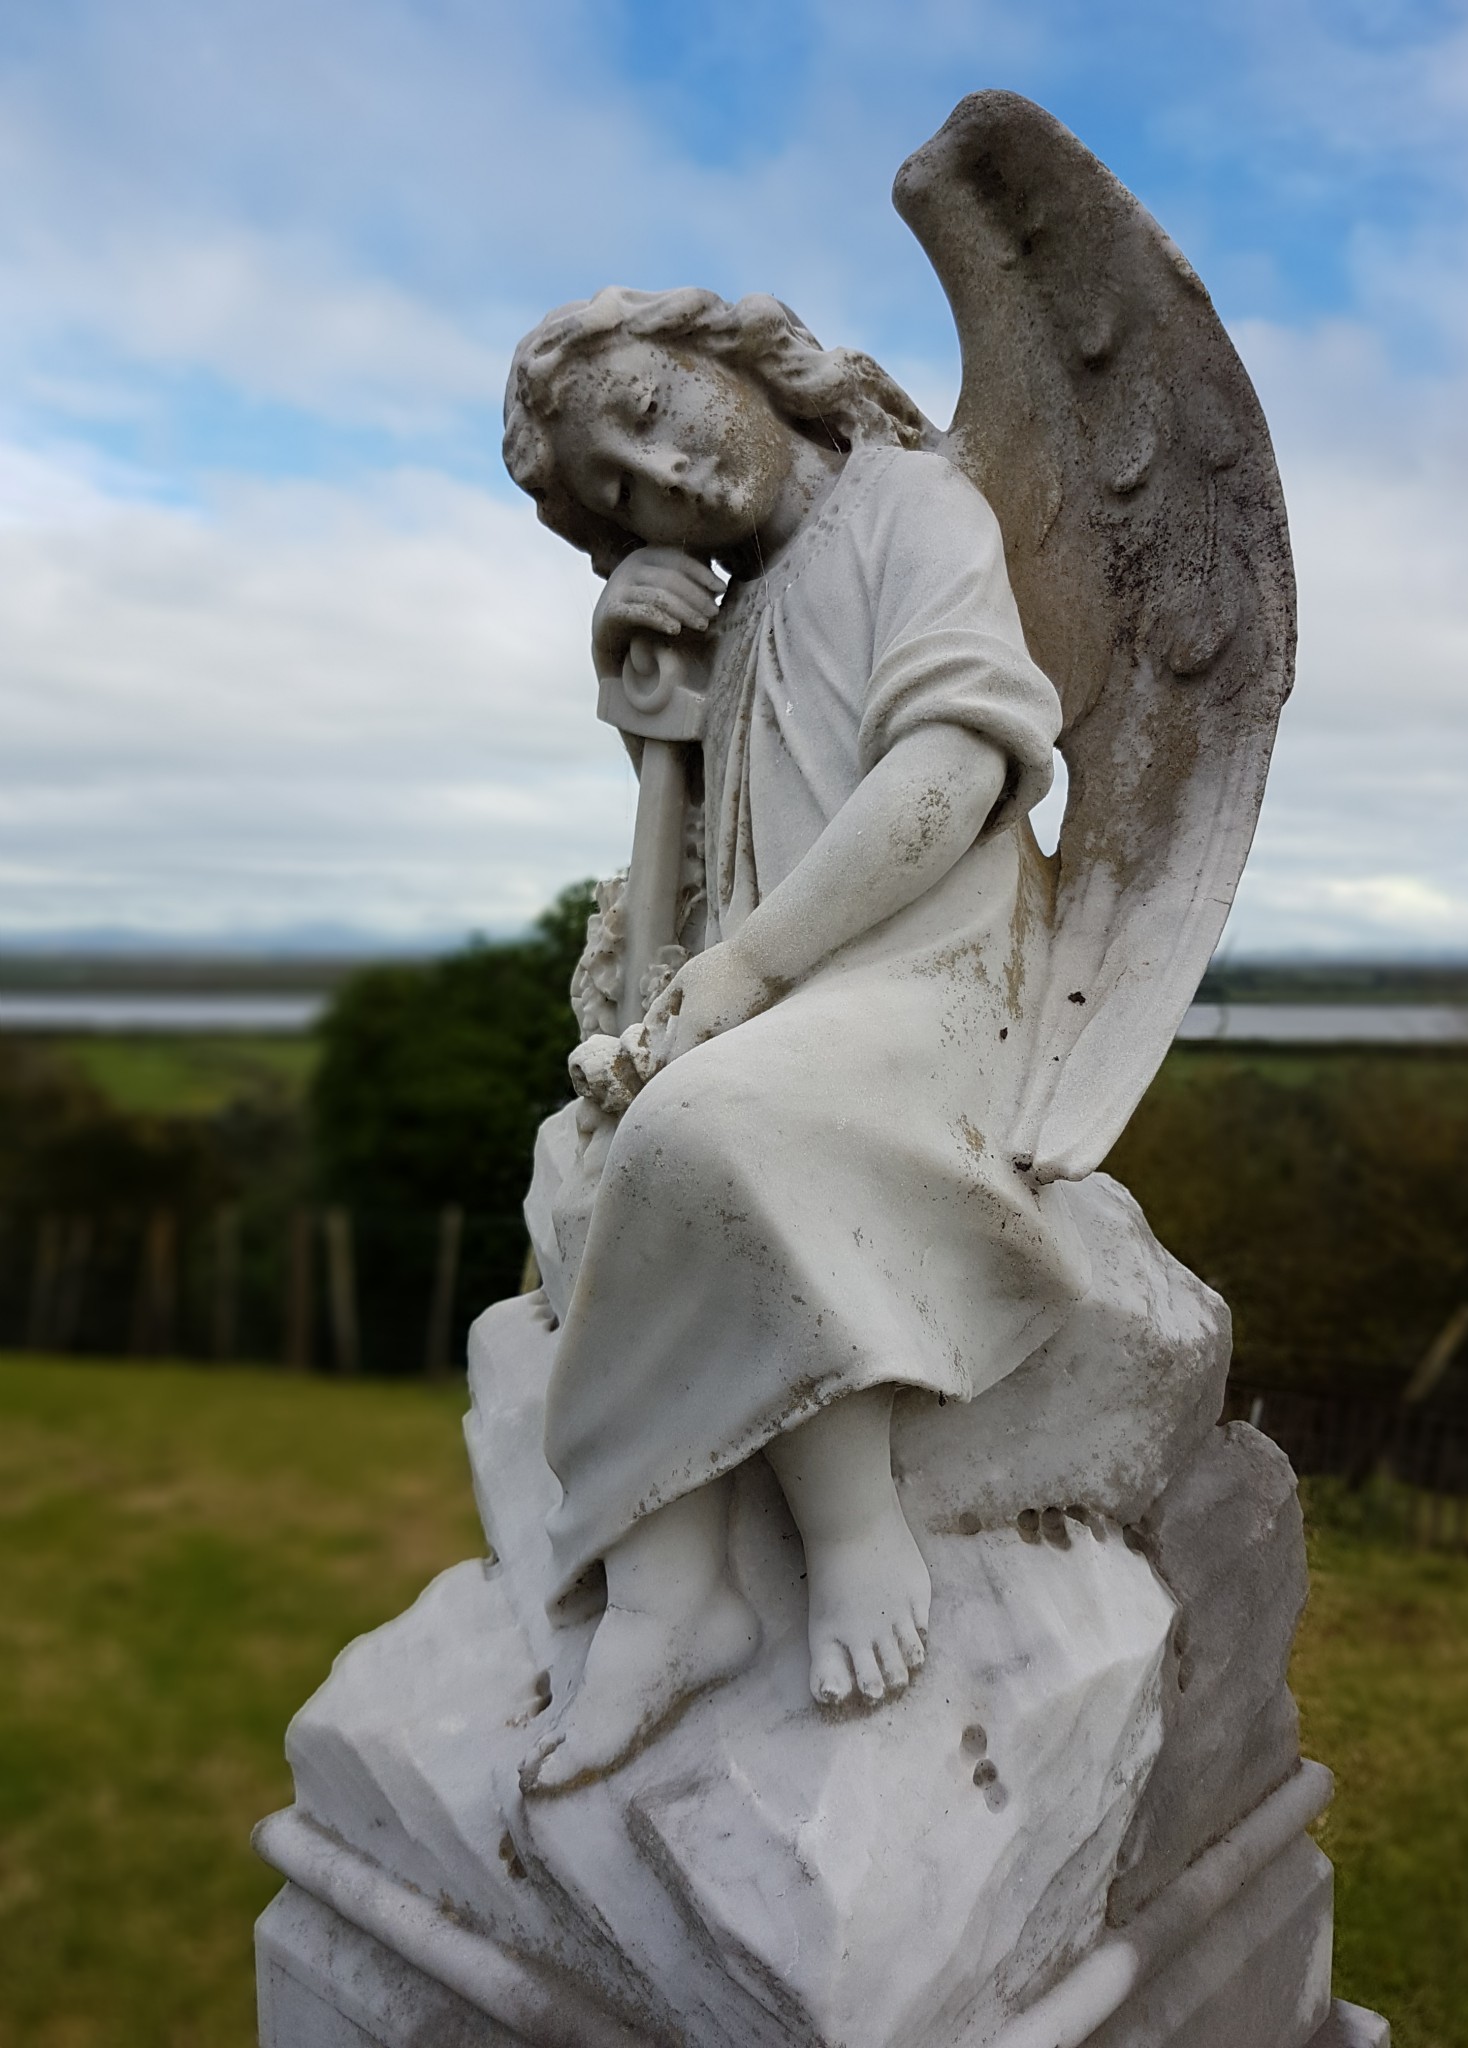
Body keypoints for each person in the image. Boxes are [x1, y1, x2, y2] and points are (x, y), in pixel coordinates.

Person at [504, 287, 1090, 1793]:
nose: (667, 473)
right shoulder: (743, 605)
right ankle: (669, 1599)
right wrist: (648, 718)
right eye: (621, 489)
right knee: (586, 1158)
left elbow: (953, 771)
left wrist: (754, 971)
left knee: (715, 1125)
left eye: (655, 410)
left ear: (731, 357)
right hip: (779, 992)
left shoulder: (911, 506)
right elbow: (672, 926)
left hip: (935, 973)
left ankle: (850, 1525)